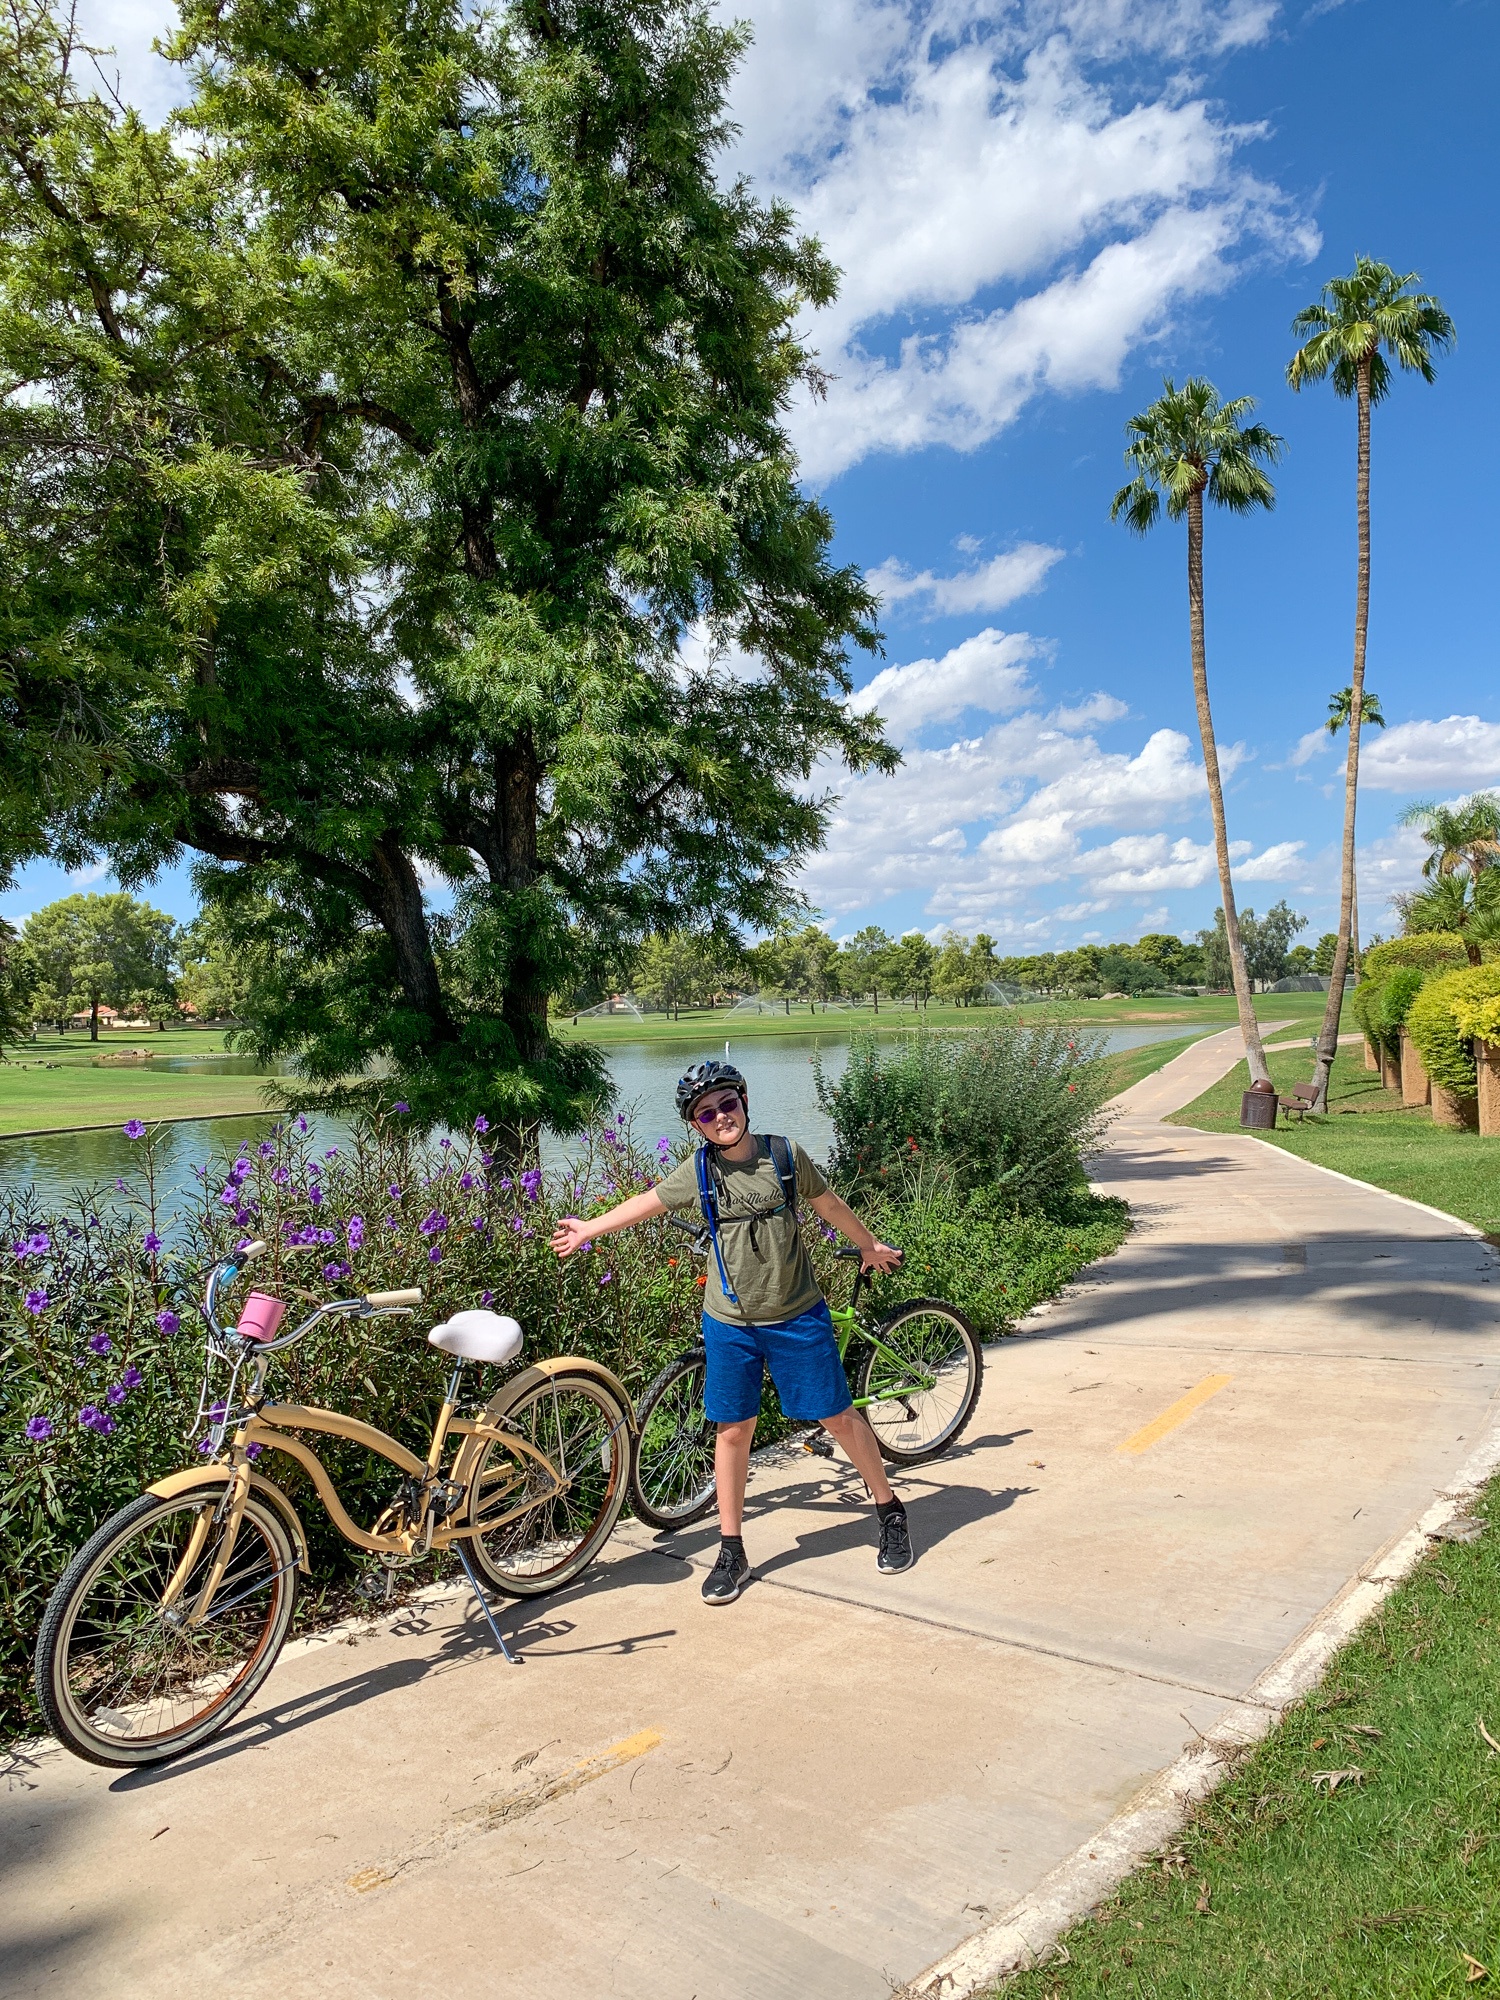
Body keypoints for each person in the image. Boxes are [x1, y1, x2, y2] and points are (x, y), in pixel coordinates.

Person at [549, 1058, 912, 1604]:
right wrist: (589, 1228)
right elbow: (647, 1203)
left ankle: (888, 1509)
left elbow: (830, 1204)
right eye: (706, 1113)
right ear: (695, 1125)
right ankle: (731, 1548)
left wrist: (868, 1244)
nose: (721, 1117)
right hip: (730, 1323)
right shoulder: (698, 1173)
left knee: (837, 1415)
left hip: (796, 1313)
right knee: (732, 1430)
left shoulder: (784, 1155)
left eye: (728, 1104)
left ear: (743, 1102)